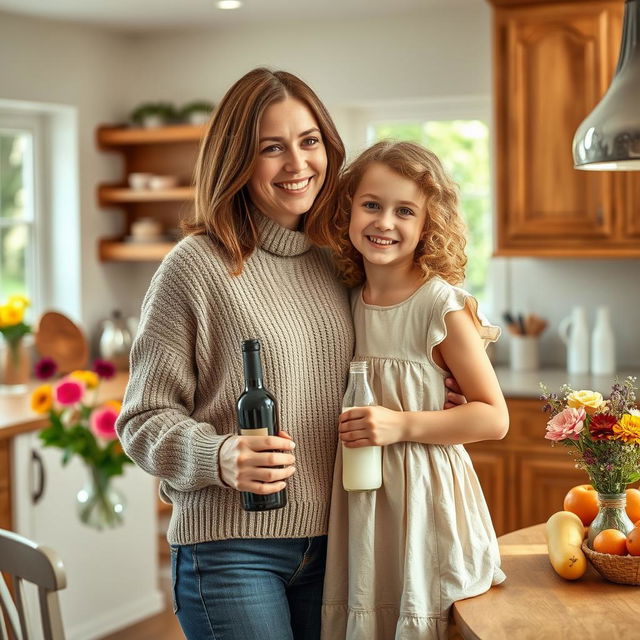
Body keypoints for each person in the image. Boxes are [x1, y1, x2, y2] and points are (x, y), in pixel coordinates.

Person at [116, 68, 465, 640]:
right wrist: (219, 454)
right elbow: (141, 420)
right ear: (237, 160)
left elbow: (370, 366)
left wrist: (428, 390)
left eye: (309, 142)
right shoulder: (195, 267)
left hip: (342, 543)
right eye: (271, 148)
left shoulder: (342, 260)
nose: (297, 164)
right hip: (230, 551)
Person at [321, 141, 509, 640]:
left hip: (427, 498)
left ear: (428, 224)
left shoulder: (438, 304)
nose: (385, 222)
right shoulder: (345, 299)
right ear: (346, 211)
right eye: (371, 205)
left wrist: (402, 423)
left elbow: (493, 417)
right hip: (364, 502)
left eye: (405, 211)